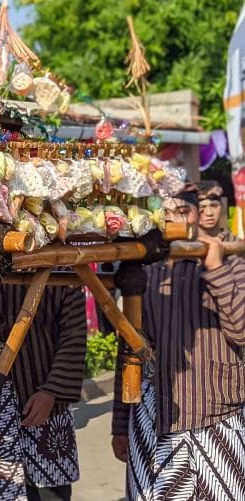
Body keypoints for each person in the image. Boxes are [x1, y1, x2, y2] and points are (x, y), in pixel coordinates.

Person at [111, 186, 245, 500]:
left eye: (183, 213)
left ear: (199, 215)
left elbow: (241, 330)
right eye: (166, 215)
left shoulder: (232, 261)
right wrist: (120, 422)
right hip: (152, 416)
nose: (173, 223)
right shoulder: (145, 269)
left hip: (215, 417)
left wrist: (215, 270)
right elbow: (128, 348)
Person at [0, 280, 87, 501]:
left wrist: (52, 392)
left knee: (51, 493)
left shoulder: (62, 272)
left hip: (45, 407)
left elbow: (74, 337)